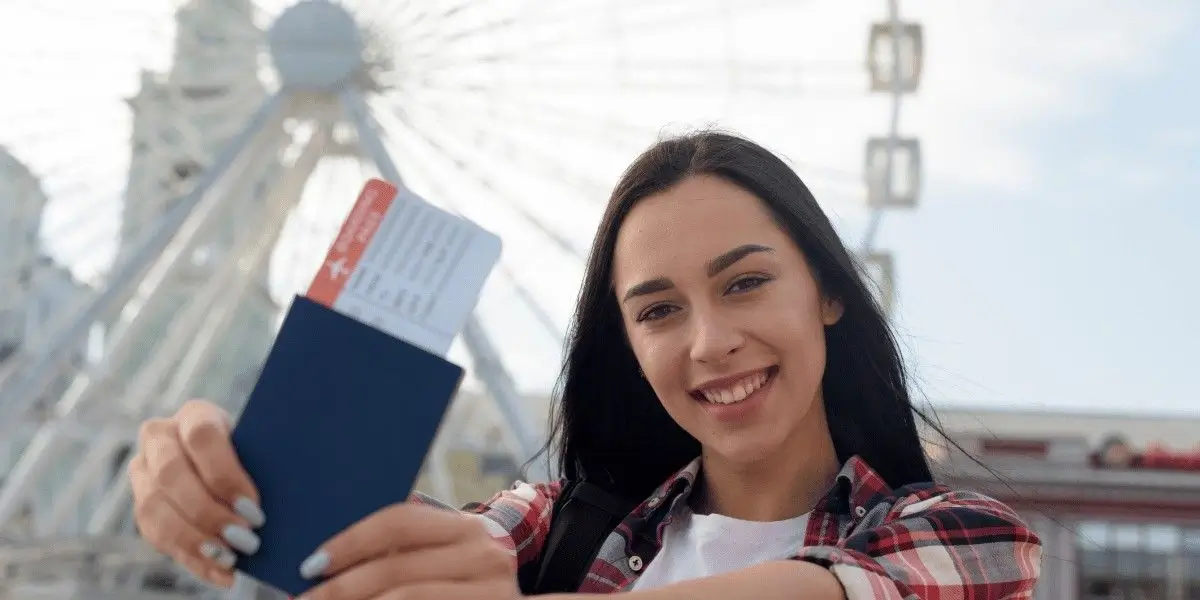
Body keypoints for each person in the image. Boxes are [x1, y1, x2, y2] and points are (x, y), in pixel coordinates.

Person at [129, 131, 1042, 600]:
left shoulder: (961, 535)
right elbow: (396, 548)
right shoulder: (555, 531)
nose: (709, 341)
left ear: (829, 293)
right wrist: (230, 477)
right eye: (657, 310)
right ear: (629, 344)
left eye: (747, 283)